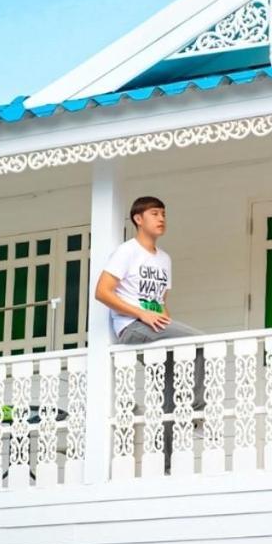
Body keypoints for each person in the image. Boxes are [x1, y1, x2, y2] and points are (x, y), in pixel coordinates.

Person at [95, 195, 203, 469]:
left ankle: (164, 464)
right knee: (201, 341)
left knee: (169, 391)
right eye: (155, 213)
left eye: (163, 214)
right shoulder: (127, 251)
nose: (161, 218)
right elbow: (102, 292)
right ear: (138, 219)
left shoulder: (164, 259)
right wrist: (140, 313)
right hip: (132, 327)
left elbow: (161, 303)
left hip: (156, 329)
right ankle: (196, 410)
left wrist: (169, 329)